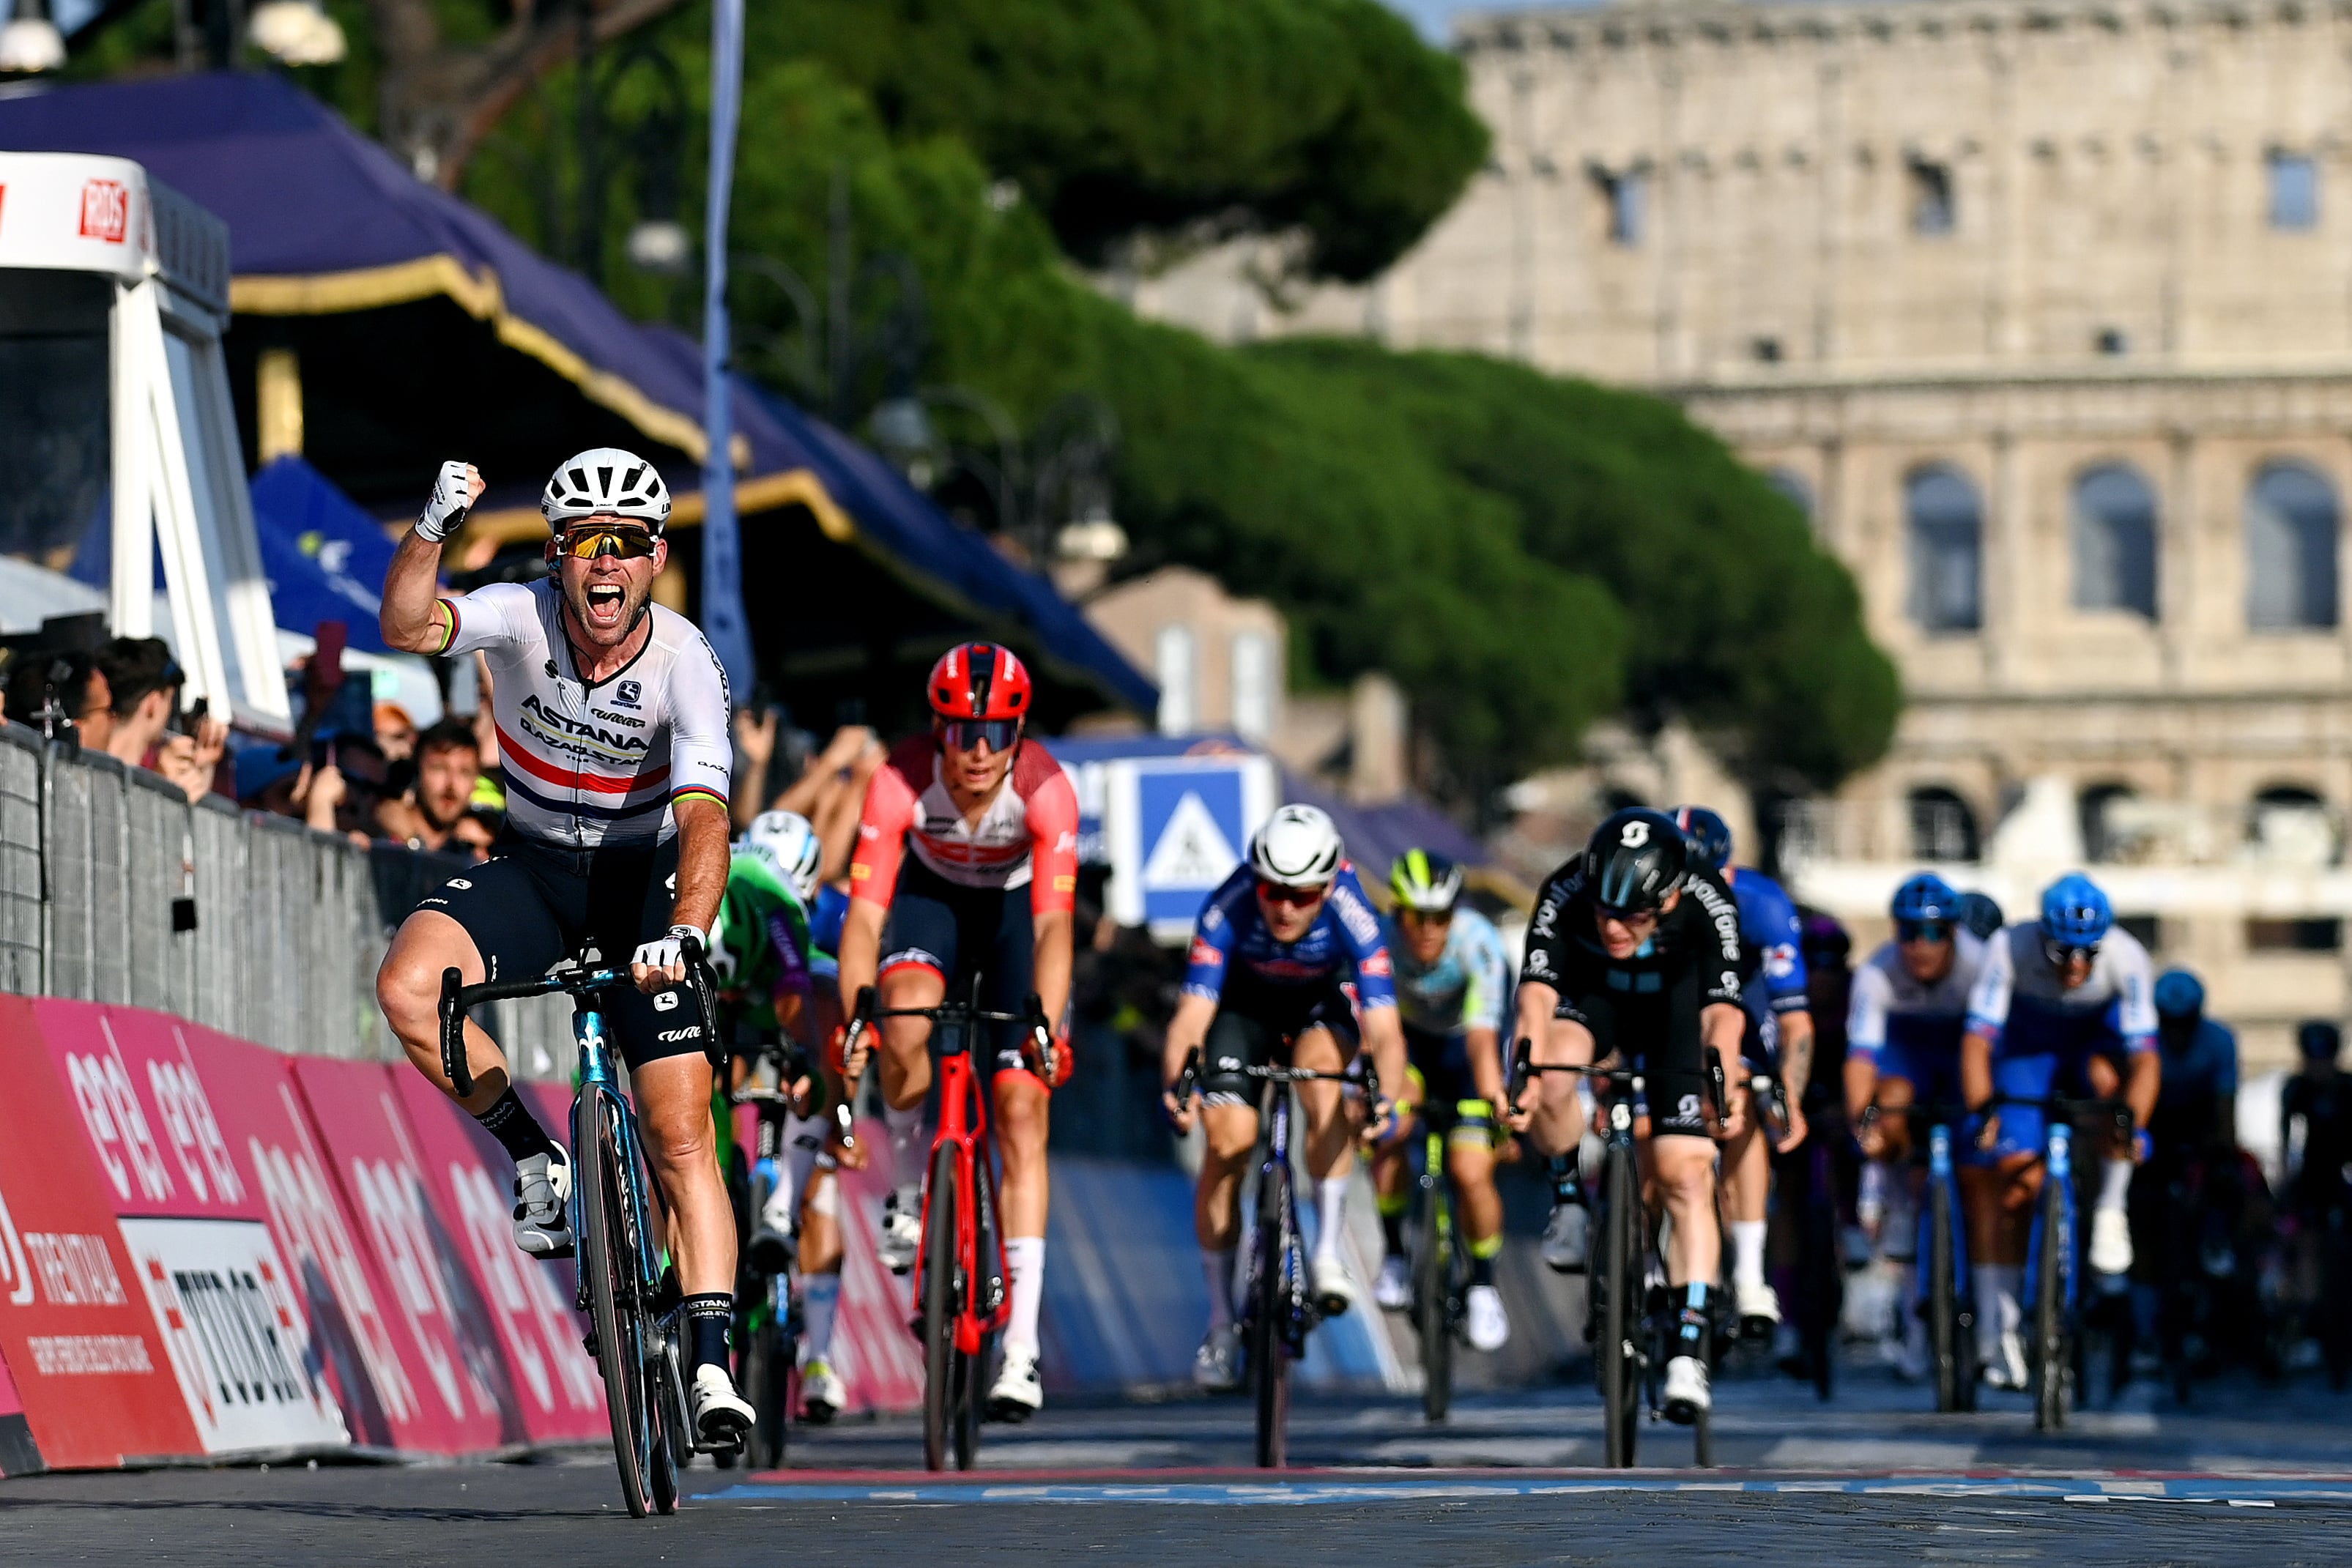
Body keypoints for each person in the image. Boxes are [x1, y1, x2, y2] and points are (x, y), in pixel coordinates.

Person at [371, 451, 752, 1451]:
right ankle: (534, 1155)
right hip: (537, 868)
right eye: (587, 543)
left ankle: (711, 1360)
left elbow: (708, 821)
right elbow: (407, 625)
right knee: (411, 987)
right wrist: (432, 523)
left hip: (644, 887)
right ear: (560, 555)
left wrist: (687, 933)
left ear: (655, 559)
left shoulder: (686, 663)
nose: (605, 563)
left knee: (678, 1134)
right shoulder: (515, 616)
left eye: (626, 545)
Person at [834, 642, 1078, 1423]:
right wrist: (855, 1018)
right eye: (962, 731)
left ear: (1017, 733)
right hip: (930, 901)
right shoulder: (901, 777)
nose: (977, 751)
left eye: (996, 733)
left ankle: (1022, 1351)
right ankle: (911, 1189)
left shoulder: (1046, 789)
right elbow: (865, 915)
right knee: (901, 1016)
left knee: (1019, 1106)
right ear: (937, 727)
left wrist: (1042, 1022)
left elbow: (1052, 929)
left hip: (1012, 918)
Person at [1509, 806, 1747, 1423]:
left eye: (1632, 915)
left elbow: (1723, 1013)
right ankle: (1567, 1198)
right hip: (1598, 998)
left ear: (1667, 900)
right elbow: (1534, 998)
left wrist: (1720, 1077)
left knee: (1684, 1173)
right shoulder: (1564, 889)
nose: (1613, 926)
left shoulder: (1706, 897)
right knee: (1553, 1074)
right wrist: (1523, 1077)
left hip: (1676, 1009)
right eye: (1603, 911)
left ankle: (1688, 1350)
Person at [1162, 804, 1405, 1391]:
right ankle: (1221, 1325)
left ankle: (1326, 1254)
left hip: (1317, 1009)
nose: (1285, 906)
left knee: (1325, 1081)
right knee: (1227, 1144)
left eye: (1303, 894)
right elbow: (1192, 1013)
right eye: (1273, 890)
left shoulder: (1353, 909)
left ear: (1329, 883)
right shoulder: (1228, 903)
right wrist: (1176, 1084)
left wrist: (1385, 1099)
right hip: (1241, 1010)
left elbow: (1384, 1027)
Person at [1960, 872, 2159, 1389]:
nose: (2074, 966)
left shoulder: (2126, 955)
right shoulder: (2007, 947)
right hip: (2026, 1050)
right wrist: (1984, 1109)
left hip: (2090, 1042)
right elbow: (1977, 1042)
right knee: (2011, 1180)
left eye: (2086, 954)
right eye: (2061, 953)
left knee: (2111, 1091)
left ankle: (2111, 1206)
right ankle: (2002, 1321)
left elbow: (2145, 1060)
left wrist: (2130, 1120)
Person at [711, 809, 856, 1422]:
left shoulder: (808, 911)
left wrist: (833, 1095)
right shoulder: (723, 882)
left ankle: (819, 1354)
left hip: (788, 995)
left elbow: (822, 1008)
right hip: (724, 991)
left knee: (818, 1052)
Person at [1672, 806, 1811, 1337]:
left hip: (1747, 1006)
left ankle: (1751, 1271)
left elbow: (1794, 1021)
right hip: (1678, 1003)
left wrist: (1787, 1092)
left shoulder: (1761, 904)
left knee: (1741, 1098)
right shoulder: (1649, 902)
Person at [1368, 850, 1513, 1353]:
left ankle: (1483, 1284)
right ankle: (1392, 1253)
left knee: (1470, 1170)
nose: (1428, 929)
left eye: (1440, 917)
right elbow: (1371, 1029)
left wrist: (1495, 1096)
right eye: (1415, 916)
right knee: (1388, 1128)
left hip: (1465, 1047)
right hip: (1406, 1044)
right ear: (1396, 912)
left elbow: (1482, 1036)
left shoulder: (1479, 943)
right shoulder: (1378, 941)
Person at [1844, 872, 1987, 1377]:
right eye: (1908, 932)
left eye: (1932, 933)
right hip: (1909, 1057)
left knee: (1984, 1152)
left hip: (1965, 1056)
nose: (1919, 946)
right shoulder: (1877, 972)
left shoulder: (1980, 964)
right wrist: (1865, 1124)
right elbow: (1861, 1057)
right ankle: (1902, 1198)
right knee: (1888, 1104)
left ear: (1952, 932)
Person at [378, 718, 484, 852]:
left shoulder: (477, 853)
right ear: (417, 770)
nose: (451, 785)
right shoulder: (381, 837)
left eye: (464, 773)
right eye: (439, 768)